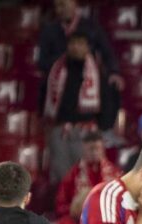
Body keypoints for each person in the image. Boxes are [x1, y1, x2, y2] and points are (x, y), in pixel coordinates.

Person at [37, 0, 122, 132]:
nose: (60, 9)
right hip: (60, 85)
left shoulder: (91, 27)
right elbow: (42, 62)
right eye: (57, 6)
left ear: (74, 4)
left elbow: (107, 52)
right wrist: (65, 58)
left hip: (85, 78)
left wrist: (114, 72)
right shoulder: (49, 31)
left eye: (63, 4)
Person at [43, 32, 104, 184]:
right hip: (60, 130)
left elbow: (107, 102)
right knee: (61, 177)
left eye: (80, 44)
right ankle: (62, 207)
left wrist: (100, 129)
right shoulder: (56, 69)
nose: (76, 47)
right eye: (73, 43)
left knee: (85, 177)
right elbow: (45, 96)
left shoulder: (96, 71)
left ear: (87, 47)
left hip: (86, 132)